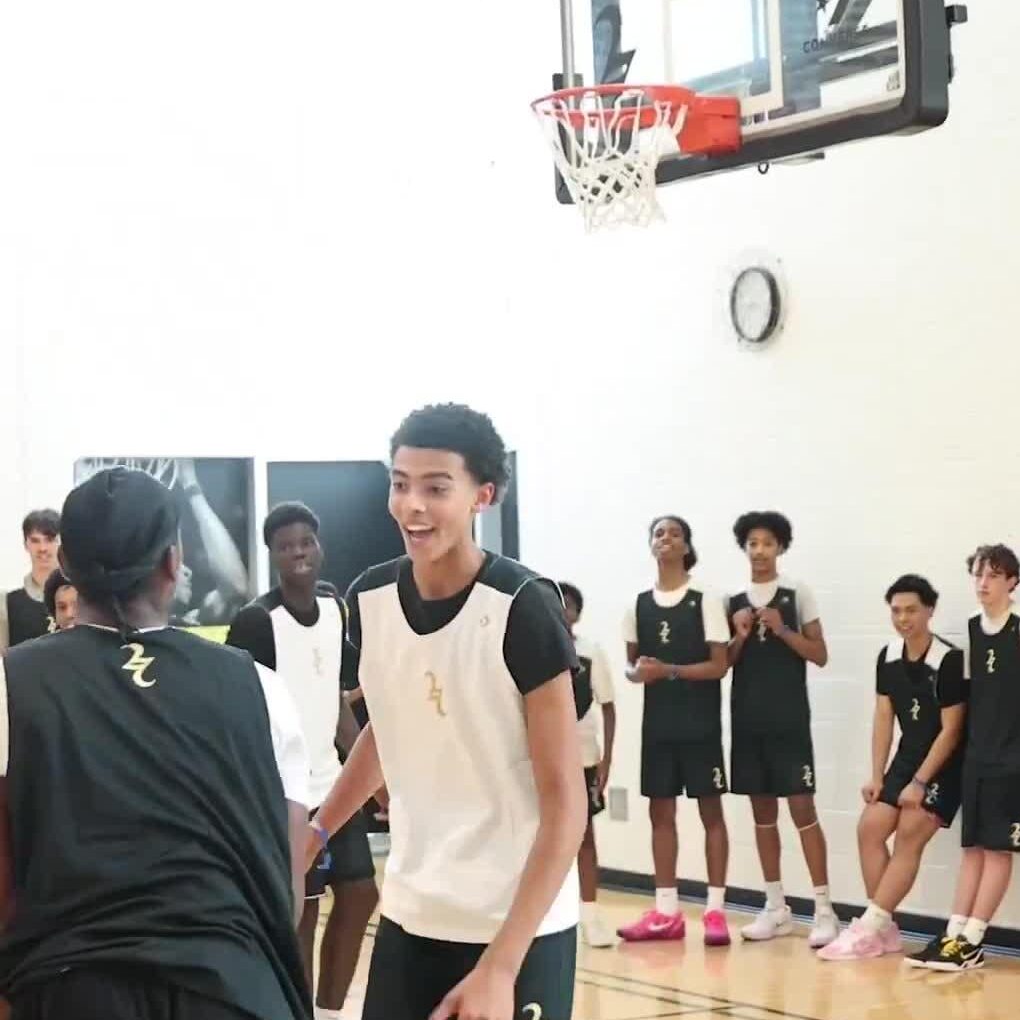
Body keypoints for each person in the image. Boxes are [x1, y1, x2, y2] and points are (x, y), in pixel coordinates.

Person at [0, 468, 313, 1020]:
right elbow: (283, 887)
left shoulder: (12, 684)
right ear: (174, 562)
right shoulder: (261, 687)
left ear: (66, 565)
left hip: (74, 989)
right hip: (236, 985)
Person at [305, 404, 585, 1020]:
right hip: (414, 911)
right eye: (400, 485)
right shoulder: (370, 598)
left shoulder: (523, 607)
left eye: (436, 488)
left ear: (482, 495)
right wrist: (318, 831)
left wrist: (502, 966)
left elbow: (567, 803)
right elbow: (391, 726)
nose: (413, 505)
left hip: (517, 925)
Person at [227, 502, 378, 1020]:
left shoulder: (337, 608)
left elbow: (334, 699)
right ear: (272, 554)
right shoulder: (256, 621)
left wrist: (371, 773)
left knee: (361, 893)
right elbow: (239, 712)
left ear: (319, 545)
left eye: (306, 542)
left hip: (334, 784)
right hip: (283, 793)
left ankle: (332, 1011)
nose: (298, 552)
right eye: (286, 545)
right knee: (303, 915)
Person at [907, 544, 1020, 972]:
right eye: (978, 574)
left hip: (1017, 761)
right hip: (980, 757)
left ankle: (974, 940)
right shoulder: (974, 629)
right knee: (973, 848)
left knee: (998, 850)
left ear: (1012, 580)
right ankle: (954, 932)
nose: (984, 583)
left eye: (994, 575)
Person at [817, 575, 967, 961]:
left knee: (908, 834)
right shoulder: (887, 656)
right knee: (869, 828)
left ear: (930, 610)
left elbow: (952, 731)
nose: (904, 618)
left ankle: (867, 927)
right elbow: (884, 716)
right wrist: (877, 775)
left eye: (912, 610)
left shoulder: (949, 660)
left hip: (944, 766)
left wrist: (919, 782)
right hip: (906, 757)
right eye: (897, 610)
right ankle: (886, 930)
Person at [616, 515, 732, 947]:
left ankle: (716, 911)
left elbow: (719, 665)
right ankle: (666, 911)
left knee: (711, 814)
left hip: (699, 725)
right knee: (660, 815)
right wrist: (638, 673)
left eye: (675, 533)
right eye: (658, 533)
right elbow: (631, 666)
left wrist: (669, 671)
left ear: (686, 546)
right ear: (651, 546)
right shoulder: (638, 604)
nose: (666, 539)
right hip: (658, 727)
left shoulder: (705, 600)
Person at [725, 511, 837, 947]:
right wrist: (740, 635)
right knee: (762, 816)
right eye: (752, 543)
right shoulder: (733, 600)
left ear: (780, 548)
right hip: (748, 723)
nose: (759, 551)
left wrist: (782, 629)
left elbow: (820, 653)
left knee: (803, 812)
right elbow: (724, 664)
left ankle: (824, 910)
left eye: (767, 543)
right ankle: (776, 907)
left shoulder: (796, 593)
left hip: (789, 722)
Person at [558, 581, 617, 949]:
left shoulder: (591, 653)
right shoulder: (530, 650)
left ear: (577, 613)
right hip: (541, 762)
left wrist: (607, 759)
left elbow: (608, 707)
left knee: (584, 839)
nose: (561, 610)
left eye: (568, 605)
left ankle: (591, 915)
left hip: (582, 758)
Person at [0, 510, 61, 653]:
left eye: (49, 539)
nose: (42, 548)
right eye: (35, 540)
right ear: (26, 544)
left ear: (61, 542)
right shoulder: (7, 603)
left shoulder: (81, 597)